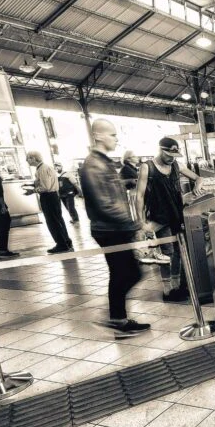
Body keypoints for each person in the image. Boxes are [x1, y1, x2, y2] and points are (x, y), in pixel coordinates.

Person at [80, 119, 152, 338]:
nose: (116, 138)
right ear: (98, 136)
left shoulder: (104, 162)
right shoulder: (94, 165)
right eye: (112, 134)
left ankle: (117, 319)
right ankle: (114, 318)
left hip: (114, 227)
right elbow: (104, 204)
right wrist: (133, 225)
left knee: (123, 273)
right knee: (129, 273)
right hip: (109, 229)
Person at [133, 138, 203, 302]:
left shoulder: (177, 166)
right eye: (169, 154)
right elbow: (139, 196)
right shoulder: (147, 167)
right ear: (160, 150)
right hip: (159, 218)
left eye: (175, 154)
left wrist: (197, 186)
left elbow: (198, 178)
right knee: (167, 253)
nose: (172, 158)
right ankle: (167, 290)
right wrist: (141, 222)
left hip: (177, 215)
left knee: (179, 252)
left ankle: (176, 286)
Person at [27, 151, 73, 254]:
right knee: (58, 220)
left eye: (28, 158)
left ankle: (61, 244)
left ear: (34, 158)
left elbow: (46, 187)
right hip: (53, 196)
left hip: (48, 197)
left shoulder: (42, 169)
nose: (27, 160)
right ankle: (66, 241)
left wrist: (33, 191)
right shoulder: (44, 168)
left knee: (52, 221)